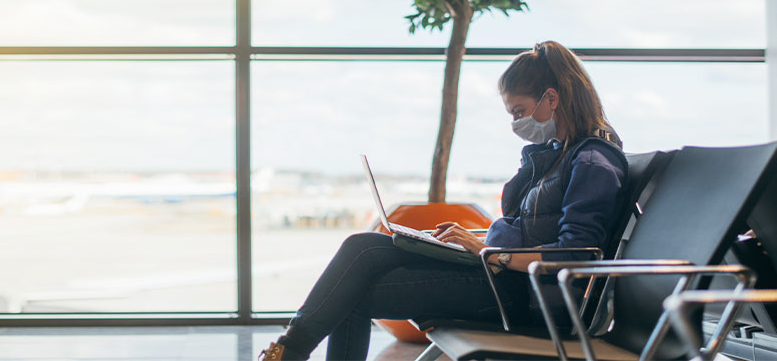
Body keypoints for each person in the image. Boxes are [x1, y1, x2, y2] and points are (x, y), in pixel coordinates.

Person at [259, 41, 629, 361]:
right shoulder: (557, 155)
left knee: (351, 292)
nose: (516, 122)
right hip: (498, 274)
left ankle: (287, 353)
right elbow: (528, 229)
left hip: (522, 297)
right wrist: (476, 243)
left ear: (551, 98)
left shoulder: (593, 160)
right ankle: (289, 351)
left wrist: (490, 253)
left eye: (518, 111)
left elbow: (576, 256)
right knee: (363, 245)